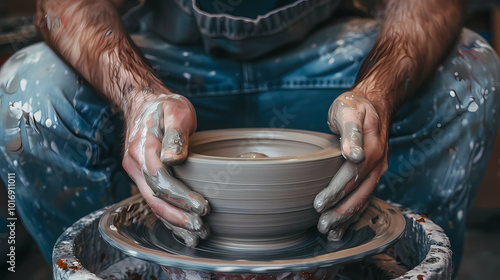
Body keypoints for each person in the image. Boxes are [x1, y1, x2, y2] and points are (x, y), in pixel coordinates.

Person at [0, 0, 498, 275]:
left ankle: (377, 265)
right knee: (28, 93)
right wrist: (138, 96)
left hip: (323, 64)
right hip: (165, 68)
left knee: (468, 73)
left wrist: (376, 93)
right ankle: (130, 266)